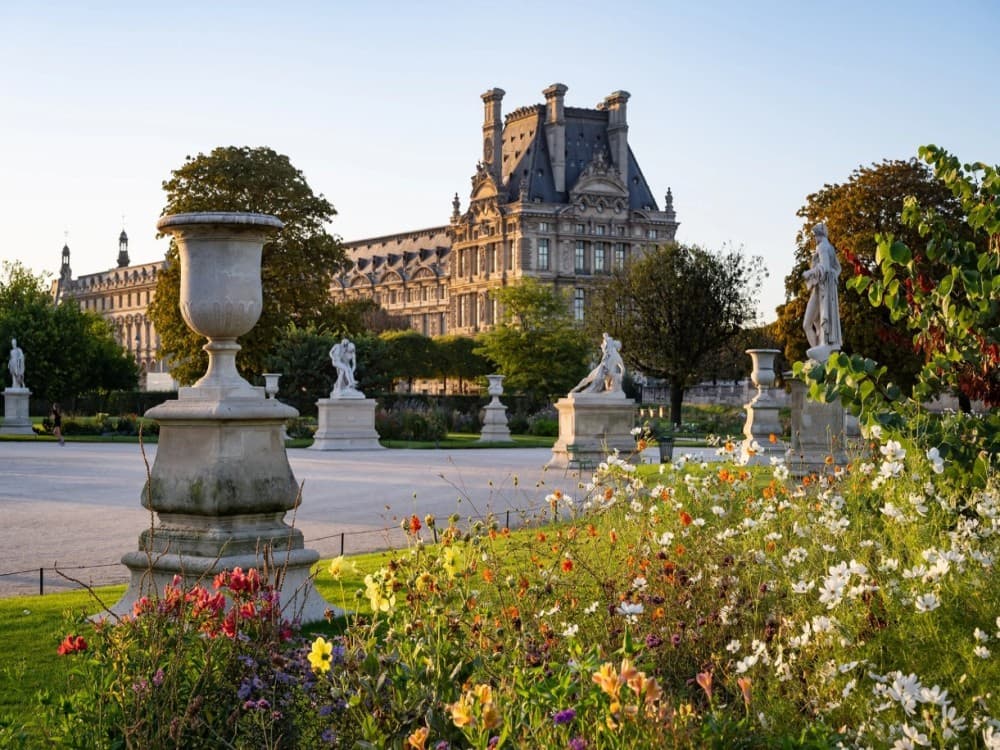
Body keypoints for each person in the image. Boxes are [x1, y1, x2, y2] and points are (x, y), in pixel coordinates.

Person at [802, 222, 842, 362]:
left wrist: (809, 273)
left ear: (819, 235)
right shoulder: (829, 247)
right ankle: (821, 349)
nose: (814, 239)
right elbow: (838, 268)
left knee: (807, 324)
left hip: (821, 290)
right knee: (817, 323)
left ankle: (819, 358)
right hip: (826, 289)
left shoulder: (822, 247)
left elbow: (824, 267)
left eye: (814, 236)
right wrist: (833, 279)